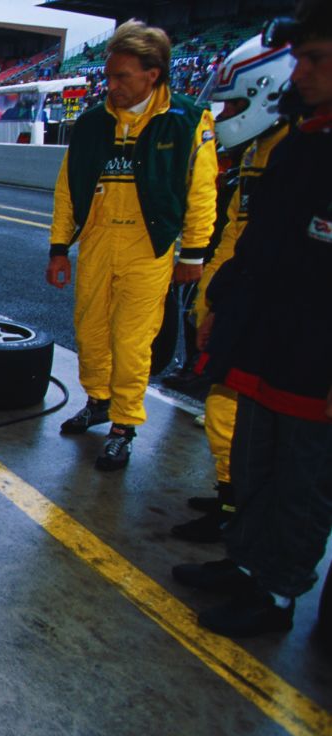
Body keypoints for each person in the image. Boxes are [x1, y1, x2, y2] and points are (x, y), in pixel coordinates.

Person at [173, 1, 332, 639]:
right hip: (267, 338)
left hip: (317, 358)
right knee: (255, 460)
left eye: (317, 60)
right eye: (300, 59)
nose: (301, 74)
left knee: (302, 479)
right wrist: (224, 311)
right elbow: (261, 242)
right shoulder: (303, 141)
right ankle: (244, 564)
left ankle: (276, 596)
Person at [46, 19, 217, 471]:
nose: (112, 84)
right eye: (109, 75)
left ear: (152, 74)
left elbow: (202, 193)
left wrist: (193, 255)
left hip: (150, 247)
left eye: (122, 76)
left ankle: (124, 426)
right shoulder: (91, 124)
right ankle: (98, 400)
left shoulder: (187, 120)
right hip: (99, 241)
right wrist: (59, 247)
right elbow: (67, 190)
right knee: (90, 330)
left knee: (131, 340)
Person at [170, 34, 295, 543]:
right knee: (228, 411)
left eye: (235, 104)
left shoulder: (296, 152)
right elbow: (235, 240)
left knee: (231, 413)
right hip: (244, 303)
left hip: (273, 315)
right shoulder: (263, 151)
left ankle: (238, 509)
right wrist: (209, 301)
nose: (225, 115)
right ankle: (232, 497)